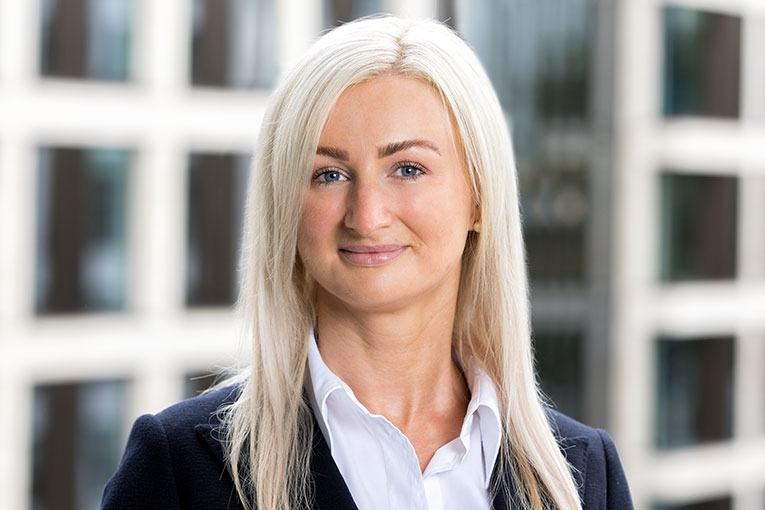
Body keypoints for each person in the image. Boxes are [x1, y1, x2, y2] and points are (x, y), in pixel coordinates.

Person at [102, 16, 632, 510]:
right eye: (328, 174)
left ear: (478, 200)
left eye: (407, 168)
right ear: (286, 207)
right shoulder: (178, 466)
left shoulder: (584, 474)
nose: (367, 215)